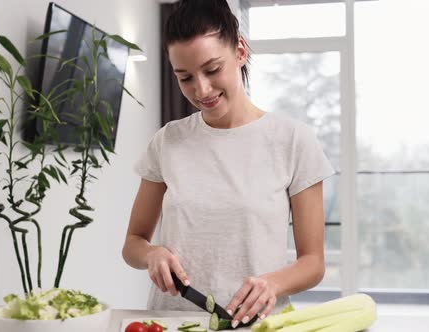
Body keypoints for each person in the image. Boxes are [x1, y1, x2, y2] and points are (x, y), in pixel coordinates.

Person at [122, 0, 335, 327]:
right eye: (185, 77)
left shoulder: (293, 141)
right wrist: (152, 254)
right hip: (174, 321)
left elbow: (313, 263)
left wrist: (273, 284)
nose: (201, 89)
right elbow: (133, 243)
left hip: (255, 323)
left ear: (239, 51)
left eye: (212, 70)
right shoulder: (168, 141)